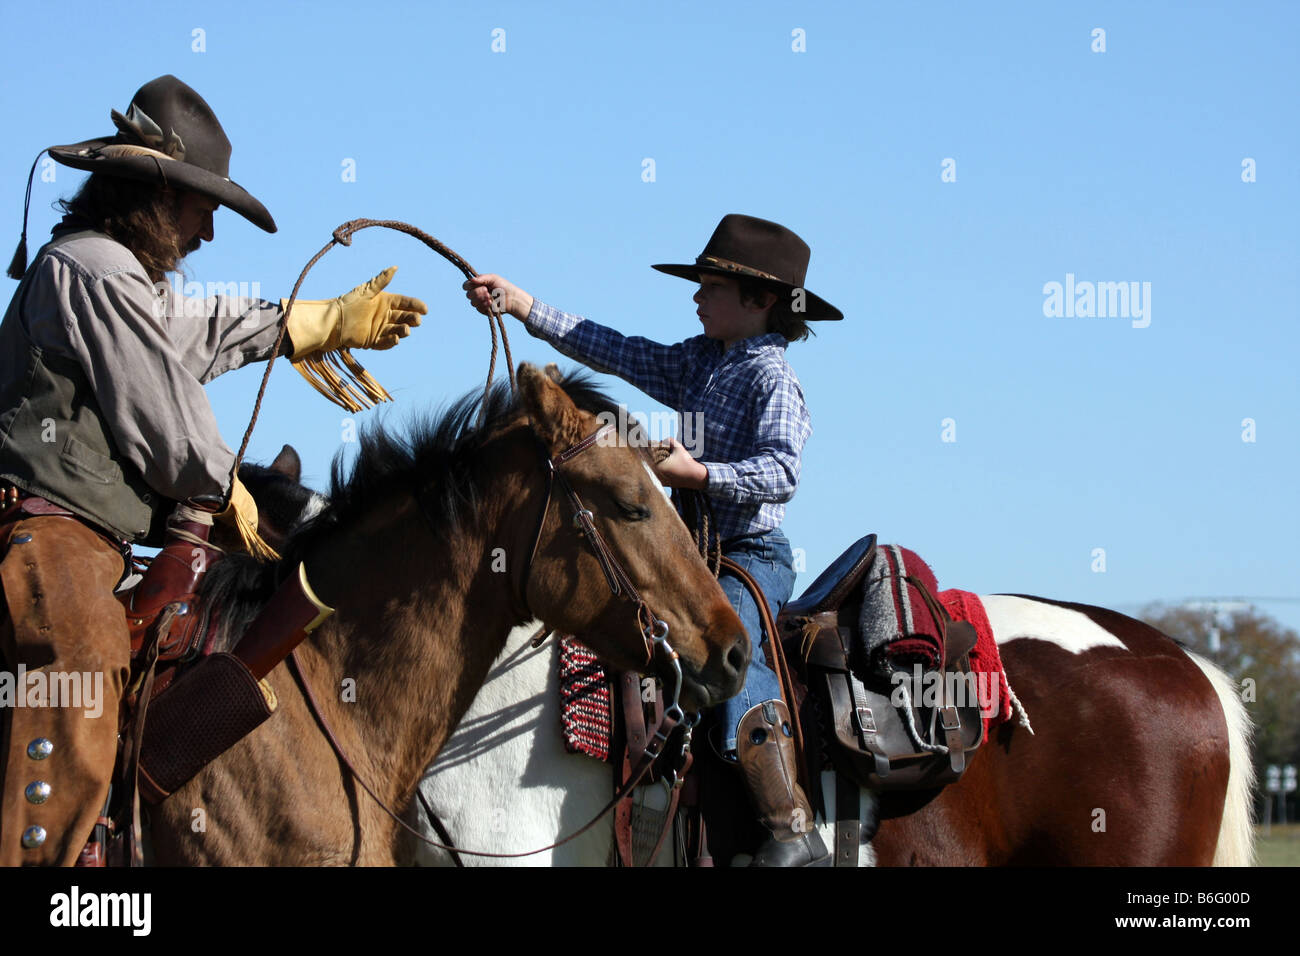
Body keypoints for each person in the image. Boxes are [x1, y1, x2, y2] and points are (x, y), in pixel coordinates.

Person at [0, 75, 425, 865]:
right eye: (201, 210)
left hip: (87, 540)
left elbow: (187, 332)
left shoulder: (111, 274)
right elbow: (162, 407)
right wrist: (219, 482)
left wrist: (312, 322)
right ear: (156, 195)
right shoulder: (93, 268)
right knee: (83, 670)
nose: (207, 235)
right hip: (45, 538)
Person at [464, 213, 842, 866]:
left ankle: (789, 825)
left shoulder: (772, 377)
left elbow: (783, 472)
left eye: (711, 286)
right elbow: (616, 349)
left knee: (729, 650)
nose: (696, 296)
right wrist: (522, 305)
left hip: (751, 558)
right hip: (688, 552)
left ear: (759, 301)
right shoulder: (700, 362)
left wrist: (696, 473)